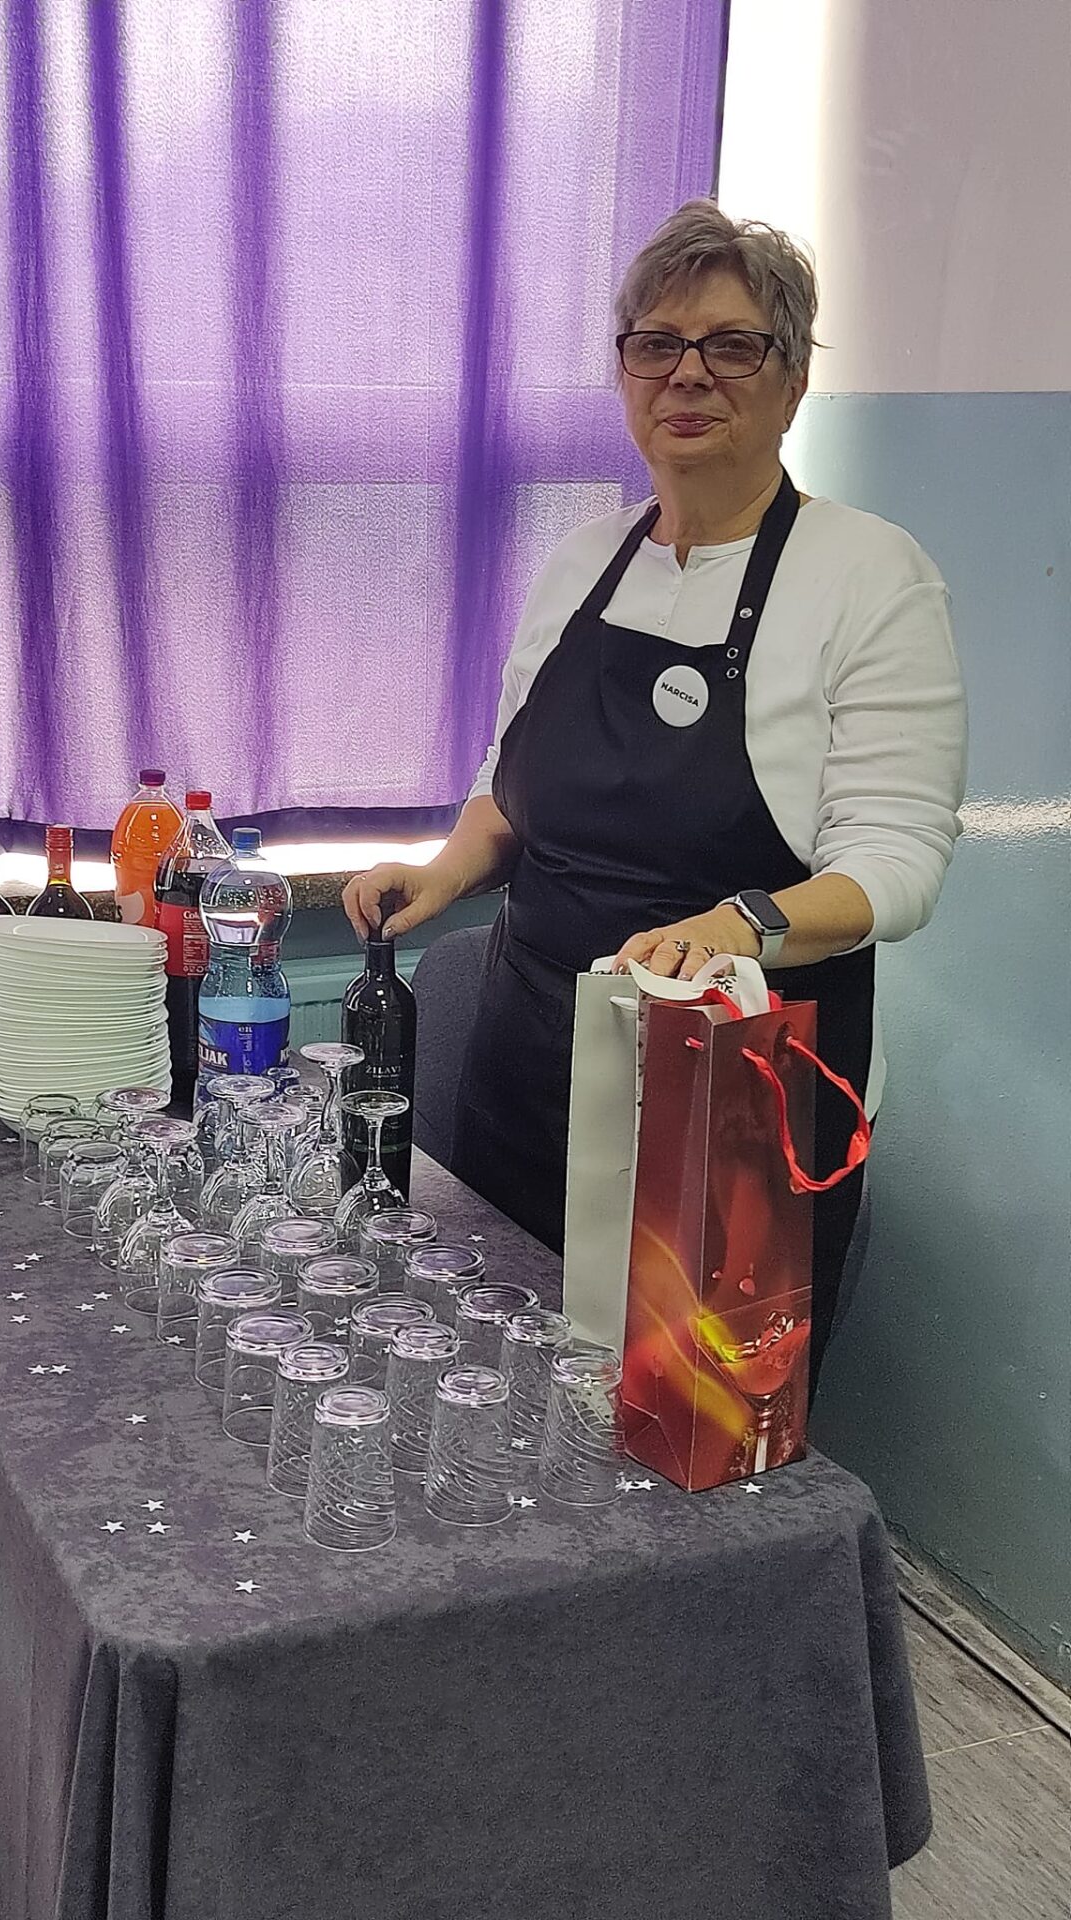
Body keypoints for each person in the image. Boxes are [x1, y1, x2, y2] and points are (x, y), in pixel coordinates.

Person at [343, 200, 967, 1395]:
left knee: (693, 1432)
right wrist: (442, 872)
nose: (688, 373)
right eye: (657, 343)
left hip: (731, 1103)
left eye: (732, 344)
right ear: (624, 372)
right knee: (489, 1392)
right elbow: (511, 789)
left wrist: (739, 925)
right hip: (531, 1075)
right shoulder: (585, 561)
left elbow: (898, 866)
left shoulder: (870, 576)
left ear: (792, 380)